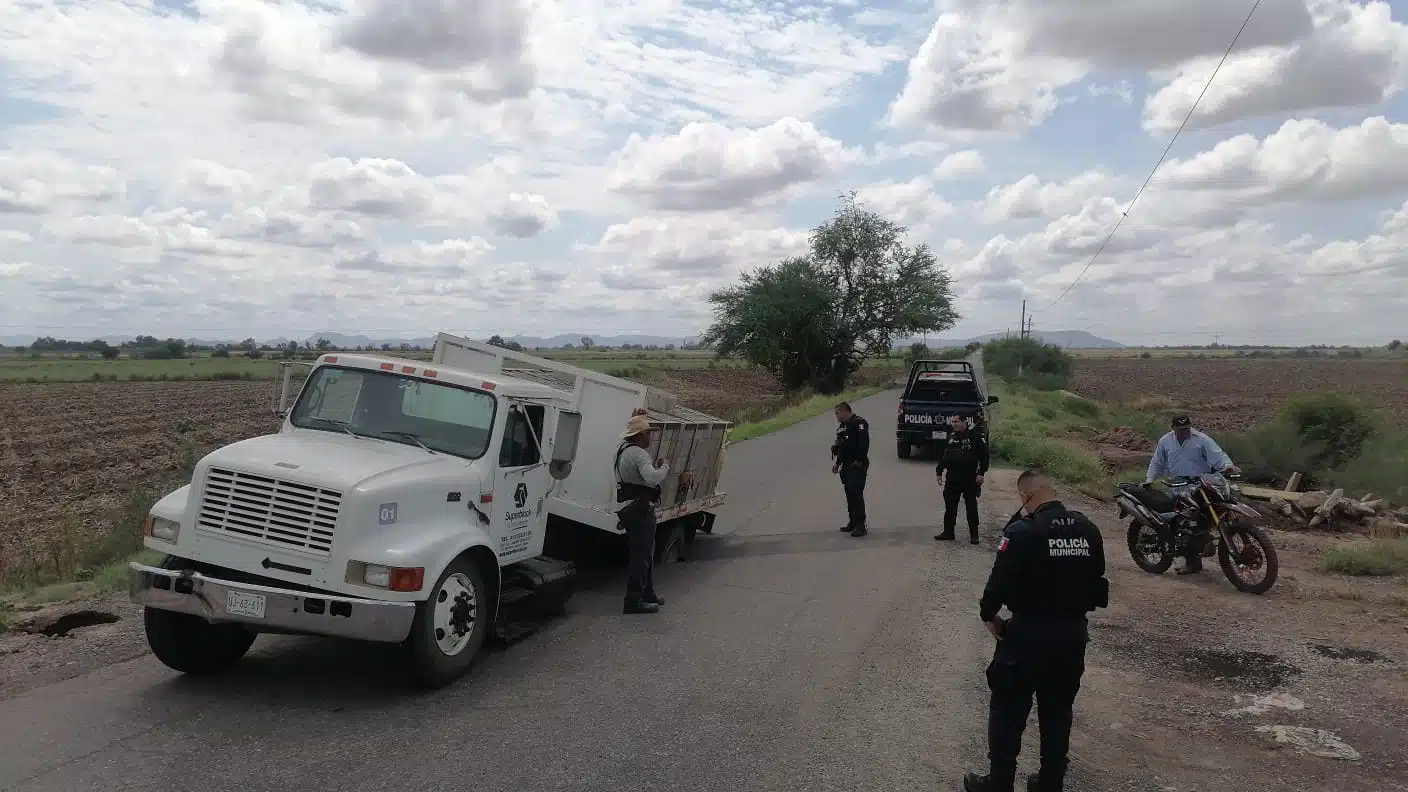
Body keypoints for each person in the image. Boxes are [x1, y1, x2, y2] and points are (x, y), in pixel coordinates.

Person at [964, 469, 1109, 792]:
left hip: (1027, 635)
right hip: (1072, 636)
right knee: (1057, 712)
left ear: (1025, 497)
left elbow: (999, 582)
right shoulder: (1089, 529)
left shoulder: (1023, 531)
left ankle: (999, 783)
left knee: (1008, 712)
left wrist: (989, 615)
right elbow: (1097, 580)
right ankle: (1050, 782)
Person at [1144, 414, 1240, 575]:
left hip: (1201, 485)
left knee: (1206, 515)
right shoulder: (1165, 441)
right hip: (1178, 485)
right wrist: (1149, 479)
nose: (1184, 432)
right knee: (1182, 522)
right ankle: (1191, 561)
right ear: (1173, 428)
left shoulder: (1202, 439)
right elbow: (1157, 462)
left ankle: (1208, 541)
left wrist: (1228, 466)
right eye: (1181, 429)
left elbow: (1218, 455)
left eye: (1187, 428)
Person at [616, 409, 668, 615]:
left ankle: (648, 594)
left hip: (632, 507)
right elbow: (652, 478)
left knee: (646, 553)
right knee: (642, 557)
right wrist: (665, 467)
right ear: (639, 436)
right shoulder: (638, 453)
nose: (650, 436)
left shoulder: (622, 450)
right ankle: (634, 601)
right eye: (648, 433)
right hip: (640, 509)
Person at [935, 413, 989, 545]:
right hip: (952, 478)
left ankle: (974, 535)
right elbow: (944, 456)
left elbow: (984, 456)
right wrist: (939, 471)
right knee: (950, 506)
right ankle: (948, 532)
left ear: (965, 422)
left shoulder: (975, 436)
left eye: (957, 421)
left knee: (971, 506)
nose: (954, 424)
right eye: (952, 422)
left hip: (969, 478)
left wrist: (981, 472)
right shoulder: (951, 436)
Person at [831, 401, 870, 538]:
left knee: (856, 492)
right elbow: (842, 447)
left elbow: (864, 443)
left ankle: (860, 524)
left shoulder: (859, 423)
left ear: (845, 411)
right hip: (846, 465)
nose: (836, 416)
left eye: (837, 413)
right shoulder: (843, 427)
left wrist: (859, 459)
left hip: (857, 464)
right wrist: (837, 463)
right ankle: (852, 521)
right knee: (849, 493)